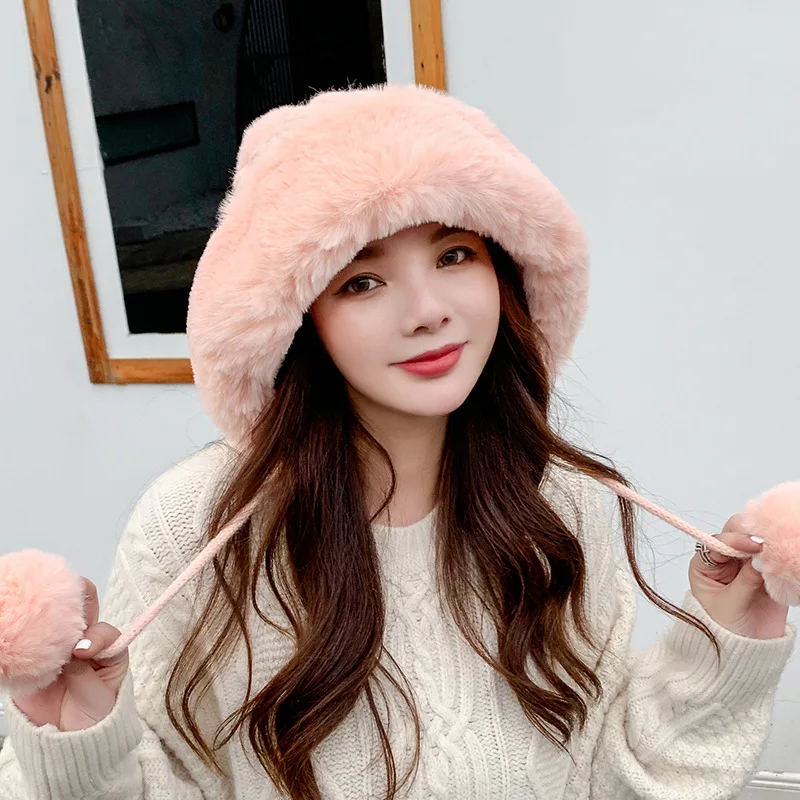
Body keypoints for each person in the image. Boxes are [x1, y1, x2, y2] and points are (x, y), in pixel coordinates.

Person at [0, 83, 795, 800]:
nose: (427, 311)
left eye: (455, 254)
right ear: (298, 322)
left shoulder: (560, 502)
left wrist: (723, 641)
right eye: (361, 280)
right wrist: (79, 743)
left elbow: (614, 782)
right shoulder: (195, 523)